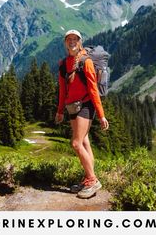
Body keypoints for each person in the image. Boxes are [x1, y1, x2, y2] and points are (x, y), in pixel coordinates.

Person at [55, 29, 109, 199]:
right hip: (72, 106)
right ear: (65, 43)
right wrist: (60, 110)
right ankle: (88, 178)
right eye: (69, 39)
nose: (72, 42)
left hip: (86, 106)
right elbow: (63, 89)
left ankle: (93, 180)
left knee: (76, 144)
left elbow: (93, 90)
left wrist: (101, 115)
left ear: (80, 41)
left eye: (75, 39)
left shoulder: (86, 62)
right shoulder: (64, 64)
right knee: (84, 143)